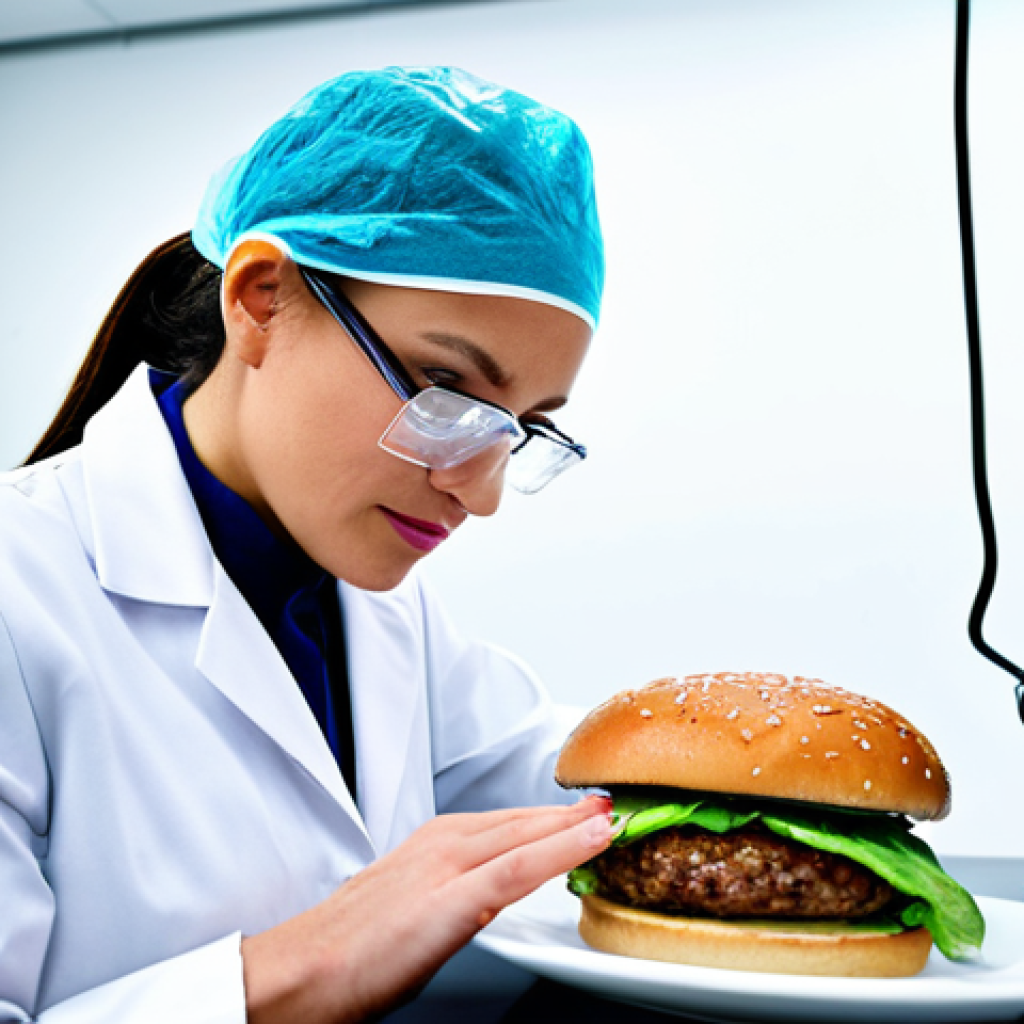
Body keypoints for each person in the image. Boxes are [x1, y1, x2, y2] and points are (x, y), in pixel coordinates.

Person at [0, 67, 614, 1022]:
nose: (481, 492)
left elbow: (567, 774)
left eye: (519, 427)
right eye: (445, 393)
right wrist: (296, 970)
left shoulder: (378, 608)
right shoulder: (20, 589)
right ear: (260, 300)